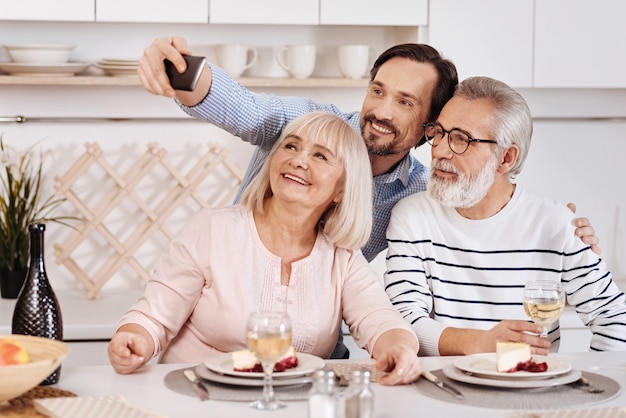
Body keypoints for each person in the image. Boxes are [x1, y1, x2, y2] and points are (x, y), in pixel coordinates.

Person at [138, 37, 599, 358]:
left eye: (404, 102)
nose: (379, 110)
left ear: (428, 127)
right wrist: (183, 71)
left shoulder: (420, 195)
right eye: (378, 90)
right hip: (213, 342)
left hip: (315, 355)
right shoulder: (306, 126)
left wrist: (561, 231)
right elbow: (241, 106)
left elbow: (484, 205)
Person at [108, 112, 422, 385]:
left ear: (342, 188)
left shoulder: (343, 257)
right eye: (291, 146)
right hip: (196, 399)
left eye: (320, 156)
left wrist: (398, 347)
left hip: (288, 404)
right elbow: (155, 316)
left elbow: (379, 319)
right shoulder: (212, 229)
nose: (298, 160)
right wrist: (134, 338)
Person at [384, 76, 626, 357]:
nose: (440, 149)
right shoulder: (413, 217)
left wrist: (589, 388)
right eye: (439, 132)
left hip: (529, 392)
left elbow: (614, 319)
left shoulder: (556, 224)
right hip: (440, 391)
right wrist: (478, 343)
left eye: (461, 139)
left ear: (506, 158)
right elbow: (401, 321)